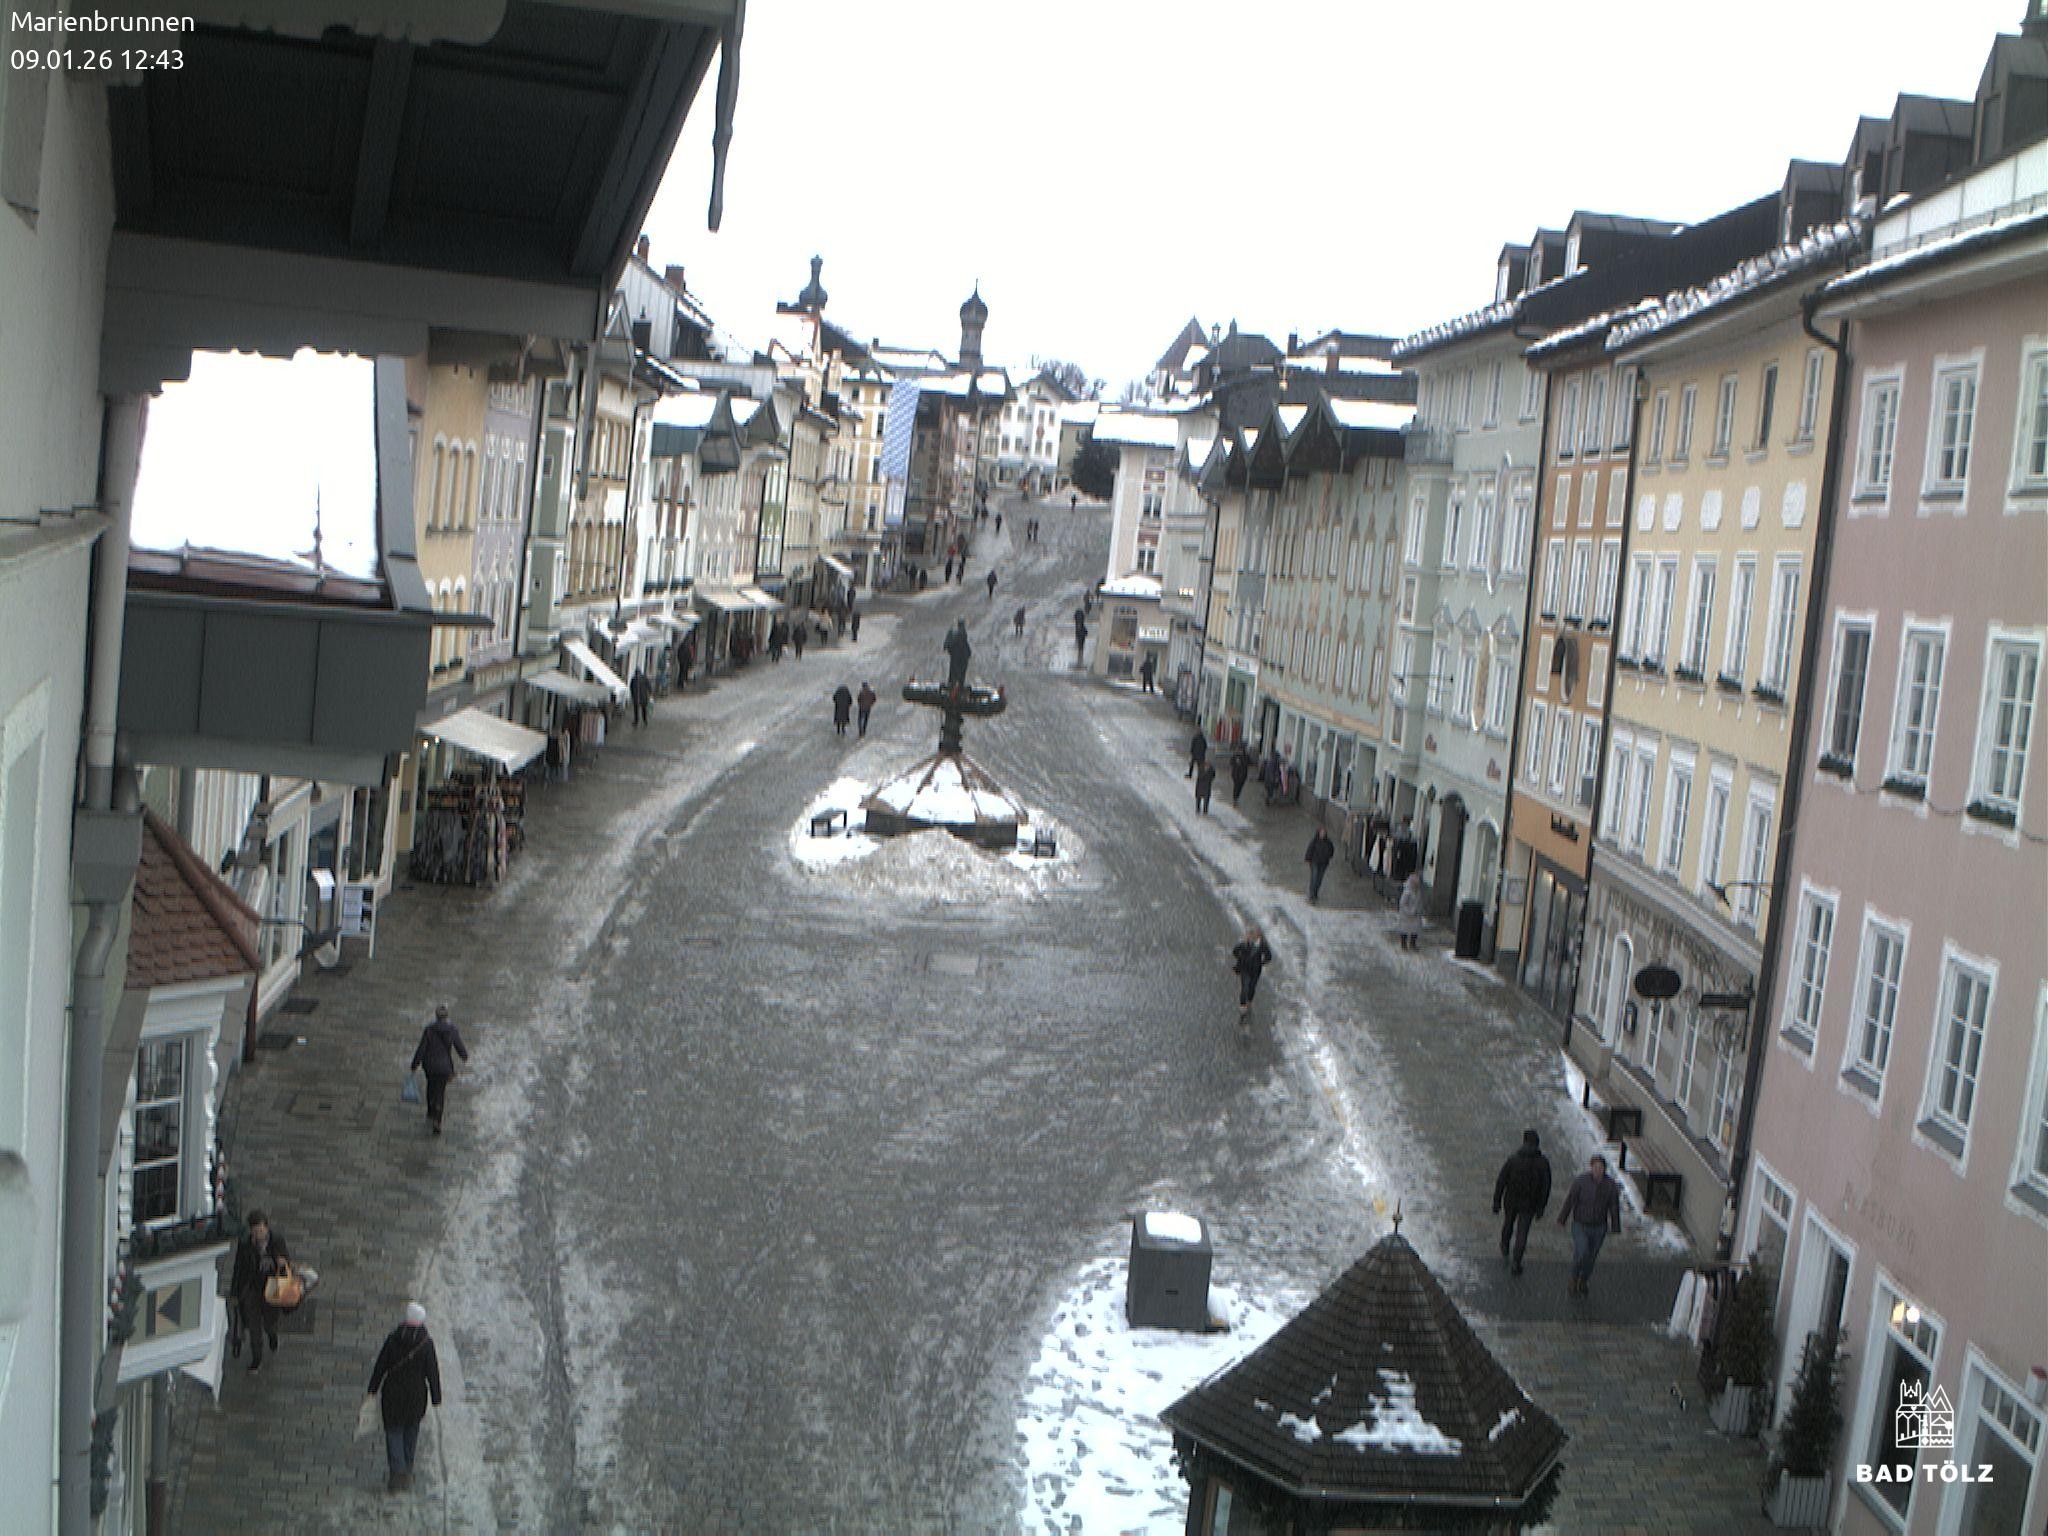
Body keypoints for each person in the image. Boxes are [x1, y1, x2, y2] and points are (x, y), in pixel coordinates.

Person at [367, 1302, 443, 1493]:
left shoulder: (393, 1340)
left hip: (393, 1393)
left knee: (393, 1432)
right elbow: (432, 1372)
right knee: (411, 1431)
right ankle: (406, 1467)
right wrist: (436, 1397)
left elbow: (381, 1365)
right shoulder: (426, 1344)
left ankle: (397, 1471)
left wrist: (372, 1389)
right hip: (416, 1396)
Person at [230, 1210, 291, 1374]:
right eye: (255, 1231)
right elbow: (238, 1268)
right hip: (252, 1289)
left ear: (266, 1228)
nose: (258, 1235)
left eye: (261, 1231)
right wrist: (235, 1292)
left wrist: (282, 1262)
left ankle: (272, 1334)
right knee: (253, 1326)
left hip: (271, 1287)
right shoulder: (245, 1244)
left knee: (270, 1322)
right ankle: (256, 1358)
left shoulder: (276, 1240)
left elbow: (286, 1262)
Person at [1556, 1153, 1623, 1297]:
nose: (1598, 1170)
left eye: (1601, 1168)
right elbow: (1570, 1200)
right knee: (1582, 1251)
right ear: (1591, 1167)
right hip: (1581, 1224)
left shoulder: (1610, 1185)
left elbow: (1614, 1206)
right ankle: (1574, 1277)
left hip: (1599, 1227)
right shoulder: (1581, 1182)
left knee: (1592, 1256)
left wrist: (1616, 1225)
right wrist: (1562, 1218)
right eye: (1595, 1167)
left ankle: (1584, 1279)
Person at [1492, 1130, 1553, 1277]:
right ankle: (1516, 1261)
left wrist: (1496, 1201)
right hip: (1529, 1203)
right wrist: (1541, 1207)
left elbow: (1501, 1181)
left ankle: (1505, 1245)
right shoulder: (1542, 1162)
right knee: (1522, 1232)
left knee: (1508, 1223)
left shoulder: (1513, 1159)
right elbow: (1546, 1187)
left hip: (1511, 1200)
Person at [410, 1004, 469, 1135]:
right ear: (446, 1016)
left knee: (431, 1087)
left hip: (430, 1066)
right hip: (444, 1067)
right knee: (440, 1092)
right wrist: (464, 1056)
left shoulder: (429, 1030)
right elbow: (459, 1047)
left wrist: (414, 1065)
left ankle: (431, 1111)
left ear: (436, 1016)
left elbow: (421, 1049)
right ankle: (438, 1119)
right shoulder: (452, 1030)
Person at [1230, 925, 1272, 1023]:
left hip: (1255, 970)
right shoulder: (1244, 944)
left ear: (1259, 936)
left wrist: (1261, 963)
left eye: (1254, 935)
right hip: (1245, 969)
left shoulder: (1262, 945)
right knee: (1245, 986)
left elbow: (1268, 956)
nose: (1251, 937)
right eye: (1250, 934)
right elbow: (1235, 951)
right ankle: (1243, 1004)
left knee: (1252, 987)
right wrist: (1241, 959)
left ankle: (1249, 1000)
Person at [1306, 826, 1335, 904]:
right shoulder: (1314, 841)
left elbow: (1332, 850)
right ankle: (1311, 894)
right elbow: (1310, 850)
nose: (1322, 834)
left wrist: (1328, 856)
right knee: (1314, 877)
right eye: (1321, 833)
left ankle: (1315, 892)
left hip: (1323, 863)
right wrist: (1308, 858)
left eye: (1323, 833)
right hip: (1314, 862)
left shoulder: (1328, 842)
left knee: (1319, 879)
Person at [1397, 872, 1424, 952]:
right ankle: (1404, 944)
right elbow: (1402, 903)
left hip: (1415, 914)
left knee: (1415, 929)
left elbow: (1419, 901)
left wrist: (1419, 910)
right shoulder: (1407, 892)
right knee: (1405, 929)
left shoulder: (1417, 891)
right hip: (1407, 915)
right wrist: (1409, 911)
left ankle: (1413, 944)